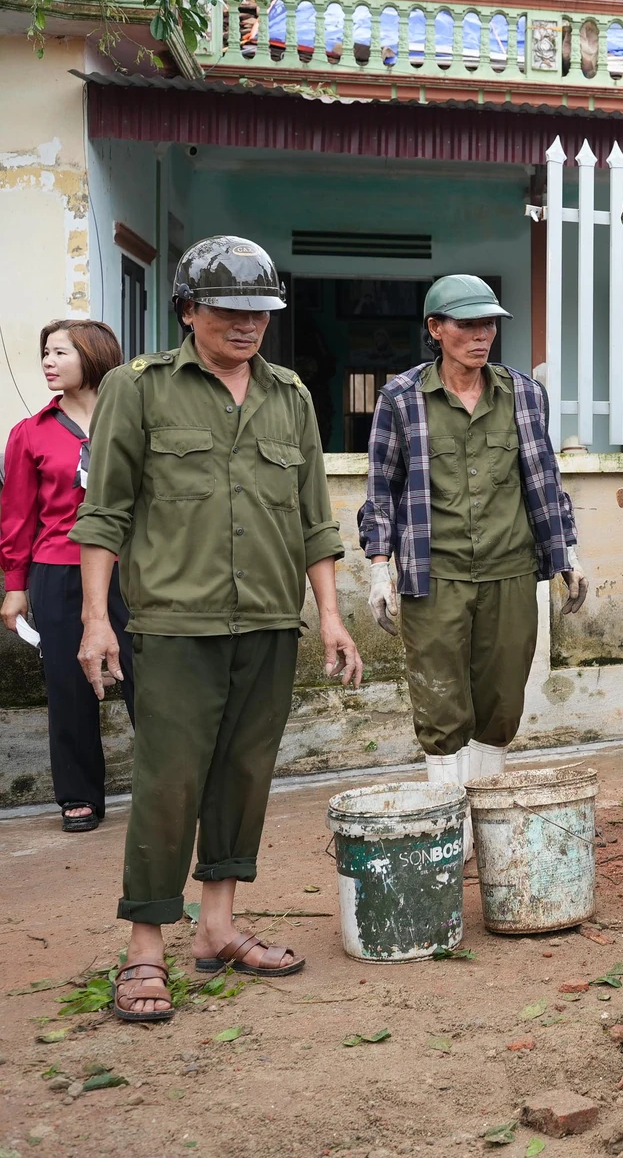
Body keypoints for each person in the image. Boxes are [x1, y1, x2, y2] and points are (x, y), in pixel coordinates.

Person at [71, 235, 364, 1023]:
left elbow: (314, 522)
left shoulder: (290, 396)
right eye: (230, 309)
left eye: (261, 310)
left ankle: (218, 928)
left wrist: (331, 615)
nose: (248, 325)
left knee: (243, 777)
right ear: (189, 309)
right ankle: (144, 949)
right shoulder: (140, 389)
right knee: (169, 781)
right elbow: (103, 513)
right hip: (174, 623)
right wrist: (97, 619)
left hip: (270, 621)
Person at [358, 274, 586, 791]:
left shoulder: (524, 395)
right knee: (440, 702)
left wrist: (567, 552)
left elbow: (545, 479)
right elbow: (382, 489)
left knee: (503, 698)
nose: (481, 334)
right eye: (467, 324)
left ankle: (485, 816)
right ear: (436, 328)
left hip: (511, 570)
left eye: (488, 324)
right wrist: (378, 568)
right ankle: (448, 821)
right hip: (434, 574)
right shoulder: (401, 397)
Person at [1, 320, 136, 831]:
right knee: (68, 685)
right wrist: (15, 587)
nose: (48, 362)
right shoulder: (29, 433)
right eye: (45, 353)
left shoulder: (131, 420)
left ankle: (167, 789)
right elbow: (16, 515)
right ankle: (78, 795)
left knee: (150, 678)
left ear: (93, 356)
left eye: (60, 352)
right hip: (57, 570)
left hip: (132, 570)